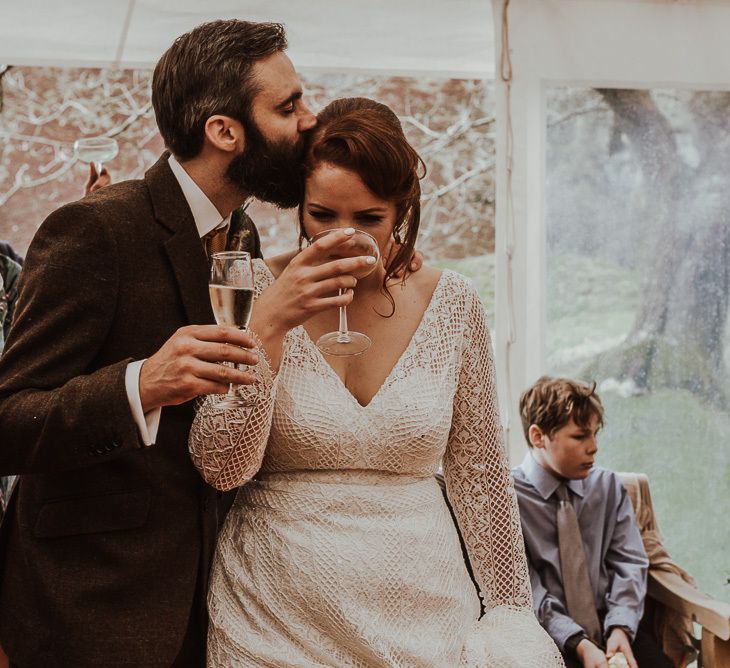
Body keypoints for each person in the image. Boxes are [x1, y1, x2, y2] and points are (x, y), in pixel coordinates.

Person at [0, 19, 372, 666]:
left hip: (216, 611)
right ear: (225, 132)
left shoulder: (244, 238)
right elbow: (7, 423)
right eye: (289, 106)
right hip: (90, 614)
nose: (310, 121)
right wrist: (139, 385)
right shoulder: (94, 231)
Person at [188, 97, 564, 667]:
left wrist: (511, 613)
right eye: (321, 215)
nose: (342, 237)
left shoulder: (452, 301)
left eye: (368, 219)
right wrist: (268, 326)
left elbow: (480, 475)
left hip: (425, 618)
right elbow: (221, 466)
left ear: (401, 211)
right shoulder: (251, 288)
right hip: (273, 618)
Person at [512, 376, 673, 668]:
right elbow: (526, 590)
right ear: (539, 437)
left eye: (595, 434)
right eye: (580, 436)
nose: (594, 447)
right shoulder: (508, 499)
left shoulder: (608, 487)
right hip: (547, 635)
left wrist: (621, 627)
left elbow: (629, 563)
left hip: (613, 624)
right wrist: (579, 643)